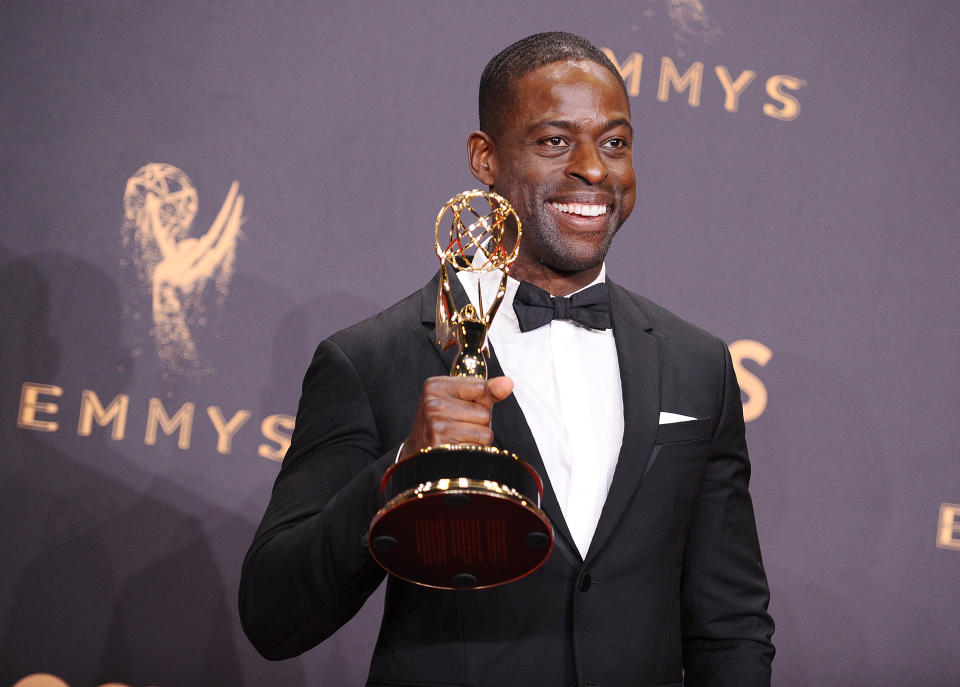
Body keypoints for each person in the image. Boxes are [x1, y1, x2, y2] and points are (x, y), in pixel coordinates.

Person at [240, 31, 775, 687]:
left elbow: (731, 626)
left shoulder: (699, 365)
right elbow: (273, 616)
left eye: (614, 143)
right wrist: (406, 462)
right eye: (554, 142)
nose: (594, 169)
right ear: (485, 158)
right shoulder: (373, 358)